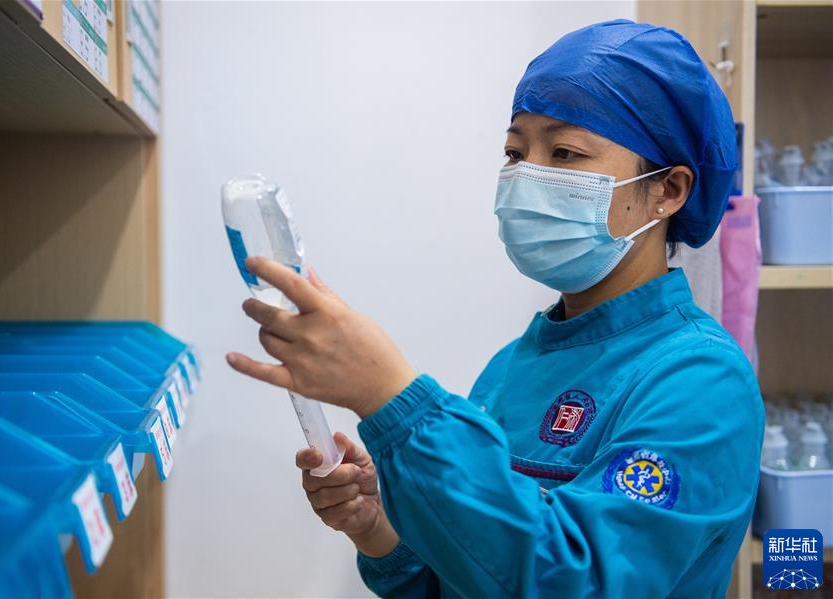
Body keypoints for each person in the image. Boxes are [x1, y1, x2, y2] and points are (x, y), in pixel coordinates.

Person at [226, 19, 763, 599]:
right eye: (514, 152)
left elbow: (577, 584)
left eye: (565, 152)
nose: (528, 175)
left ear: (667, 190)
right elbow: (467, 583)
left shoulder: (701, 380)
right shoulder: (512, 366)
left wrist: (392, 399)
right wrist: (380, 530)